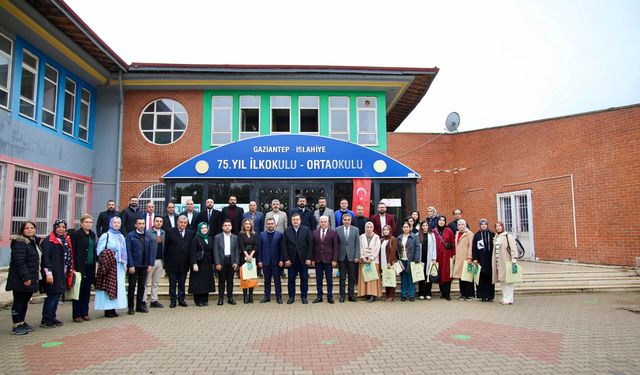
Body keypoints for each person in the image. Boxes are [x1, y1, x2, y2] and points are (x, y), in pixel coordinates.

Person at [6, 221, 41, 335]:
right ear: (22, 230)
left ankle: (22, 321)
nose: (30, 230)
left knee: (25, 300)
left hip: (31, 276)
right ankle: (16, 325)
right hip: (20, 278)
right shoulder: (19, 243)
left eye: (32, 228)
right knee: (19, 301)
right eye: (27, 228)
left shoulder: (32, 242)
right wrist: (26, 277)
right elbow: (20, 262)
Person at [40, 219, 73, 328]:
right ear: (55, 227)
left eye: (63, 227)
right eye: (59, 227)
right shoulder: (49, 240)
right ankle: (46, 319)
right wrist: (48, 272)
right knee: (52, 296)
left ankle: (52, 317)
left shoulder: (64, 240)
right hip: (53, 273)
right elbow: (46, 258)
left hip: (61, 272)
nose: (61, 229)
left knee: (57, 295)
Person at [95, 216, 127, 318]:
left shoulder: (121, 236)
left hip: (119, 266)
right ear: (111, 223)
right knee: (108, 285)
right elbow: (99, 250)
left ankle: (113, 308)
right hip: (109, 265)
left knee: (117, 287)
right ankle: (107, 309)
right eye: (115, 222)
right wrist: (110, 254)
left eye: (118, 222)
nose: (117, 224)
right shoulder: (106, 235)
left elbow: (124, 251)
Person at [69, 214, 97, 322]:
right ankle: (76, 314)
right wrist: (74, 267)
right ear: (81, 223)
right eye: (86, 222)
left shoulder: (92, 235)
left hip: (90, 265)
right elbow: (73, 251)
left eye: (90, 222)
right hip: (80, 266)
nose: (89, 224)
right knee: (78, 290)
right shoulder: (76, 235)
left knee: (86, 290)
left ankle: (85, 312)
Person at [281, 212, 313, 304]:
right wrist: (286, 259)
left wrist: (309, 258)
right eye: (294, 220)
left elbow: (310, 245)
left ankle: (304, 297)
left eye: (297, 219)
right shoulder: (287, 231)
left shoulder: (306, 230)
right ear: (291, 221)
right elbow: (284, 246)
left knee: (304, 279)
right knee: (291, 279)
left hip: (303, 260)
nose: (295, 221)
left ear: (300, 220)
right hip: (291, 260)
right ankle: (291, 297)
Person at [125, 218, 154, 315]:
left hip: (144, 265)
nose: (142, 225)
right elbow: (128, 250)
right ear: (135, 225)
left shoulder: (147, 236)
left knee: (142, 286)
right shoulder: (130, 236)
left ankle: (139, 306)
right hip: (134, 265)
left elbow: (150, 251)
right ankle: (130, 307)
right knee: (132, 286)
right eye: (139, 223)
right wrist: (131, 265)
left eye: (143, 223)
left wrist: (150, 264)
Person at [164, 215, 194, 308]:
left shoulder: (190, 233)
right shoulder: (170, 231)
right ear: (177, 222)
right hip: (172, 262)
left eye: (185, 223)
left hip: (184, 263)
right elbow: (166, 247)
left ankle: (181, 299)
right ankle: (173, 300)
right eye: (181, 222)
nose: (183, 224)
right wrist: (166, 263)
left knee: (182, 283)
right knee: (172, 283)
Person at [312, 216, 338, 304]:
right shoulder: (314, 233)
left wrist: (334, 259)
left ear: (328, 223)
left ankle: (330, 297)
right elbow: (312, 247)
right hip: (318, 259)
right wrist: (312, 259)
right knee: (318, 279)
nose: (323, 223)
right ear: (319, 223)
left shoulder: (333, 233)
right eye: (322, 222)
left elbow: (335, 247)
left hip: (329, 260)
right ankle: (319, 296)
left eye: (325, 222)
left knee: (329, 279)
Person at [258, 218, 284, 304]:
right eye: (268, 224)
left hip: (276, 262)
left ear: (275, 225)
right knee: (267, 281)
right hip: (265, 261)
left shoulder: (279, 235)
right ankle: (266, 297)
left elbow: (281, 249)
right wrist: (260, 261)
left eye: (272, 223)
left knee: (277, 280)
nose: (270, 225)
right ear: (266, 225)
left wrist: (281, 260)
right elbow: (260, 249)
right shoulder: (261, 235)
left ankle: (279, 297)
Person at [189, 222, 215, 306]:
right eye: (202, 228)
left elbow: (212, 251)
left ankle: (205, 299)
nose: (204, 230)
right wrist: (194, 263)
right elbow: (192, 252)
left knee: (206, 281)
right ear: (199, 229)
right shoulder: (195, 239)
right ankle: (198, 300)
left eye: (205, 228)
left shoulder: (210, 238)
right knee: (198, 282)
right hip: (199, 263)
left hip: (208, 263)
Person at [214, 220, 239, 305]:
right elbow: (215, 251)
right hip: (221, 261)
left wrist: (236, 262)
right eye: (225, 225)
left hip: (231, 261)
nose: (227, 227)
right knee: (221, 280)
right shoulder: (217, 237)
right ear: (222, 227)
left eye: (229, 225)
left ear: (231, 227)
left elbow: (236, 251)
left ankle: (230, 297)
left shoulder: (235, 237)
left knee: (230, 281)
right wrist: (217, 263)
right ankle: (220, 298)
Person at [493, 221, 519, 305]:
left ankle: (509, 299)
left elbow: (513, 248)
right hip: (498, 261)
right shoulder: (496, 236)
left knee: (508, 281)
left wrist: (514, 259)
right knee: (502, 280)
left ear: (503, 227)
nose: (498, 228)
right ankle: (505, 297)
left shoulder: (508, 236)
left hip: (506, 261)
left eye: (500, 226)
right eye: (497, 226)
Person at [336, 213, 360, 303]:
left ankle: (351, 295)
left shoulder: (356, 230)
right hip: (341, 257)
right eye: (345, 220)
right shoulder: (337, 230)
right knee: (342, 278)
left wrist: (357, 256)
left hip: (352, 257)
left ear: (351, 221)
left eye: (348, 220)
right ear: (342, 220)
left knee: (351, 277)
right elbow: (336, 244)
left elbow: (357, 244)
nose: (346, 221)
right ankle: (342, 296)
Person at [358, 221, 382, 302]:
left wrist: (371, 258)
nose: (369, 229)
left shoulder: (376, 237)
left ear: (373, 228)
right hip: (364, 260)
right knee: (365, 276)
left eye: (370, 227)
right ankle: (366, 293)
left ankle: (372, 295)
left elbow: (377, 249)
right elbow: (360, 247)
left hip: (373, 261)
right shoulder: (361, 237)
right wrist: (362, 257)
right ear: (365, 228)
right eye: (367, 227)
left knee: (372, 278)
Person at [145, 216, 165, 308]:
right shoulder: (148, 233)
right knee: (146, 282)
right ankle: (143, 300)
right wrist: (148, 262)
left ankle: (154, 300)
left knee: (156, 282)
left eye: (160, 221)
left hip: (160, 260)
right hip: (150, 261)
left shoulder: (163, 233)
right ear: (153, 222)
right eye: (157, 221)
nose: (159, 223)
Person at [473, 218, 495, 302]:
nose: (483, 226)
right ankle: (482, 295)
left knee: (489, 279)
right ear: (480, 225)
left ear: (487, 225)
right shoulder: (477, 235)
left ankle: (489, 296)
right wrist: (475, 259)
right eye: (482, 224)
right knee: (481, 278)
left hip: (490, 260)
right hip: (480, 260)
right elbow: (474, 248)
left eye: (485, 224)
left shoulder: (492, 234)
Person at [238, 218, 260, 304]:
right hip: (244, 257)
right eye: (246, 224)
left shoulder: (254, 234)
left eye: (249, 224)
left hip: (253, 256)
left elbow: (256, 245)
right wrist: (247, 255)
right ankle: (245, 296)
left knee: (251, 276)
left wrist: (251, 255)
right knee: (245, 277)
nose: (247, 225)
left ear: (251, 225)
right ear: (243, 225)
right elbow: (241, 245)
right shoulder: (241, 234)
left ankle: (251, 296)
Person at [433, 216, 455, 300]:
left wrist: (453, 255)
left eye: (443, 220)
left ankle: (447, 293)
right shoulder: (433, 231)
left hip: (447, 255)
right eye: (440, 220)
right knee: (440, 273)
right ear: (437, 221)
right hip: (437, 255)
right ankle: (442, 292)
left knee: (447, 274)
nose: (441, 222)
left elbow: (453, 243)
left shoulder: (449, 231)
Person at [397, 221, 420, 301]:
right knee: (403, 278)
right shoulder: (399, 237)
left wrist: (416, 259)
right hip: (402, 260)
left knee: (411, 278)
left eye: (407, 227)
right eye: (404, 227)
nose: (405, 228)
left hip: (411, 260)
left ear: (410, 228)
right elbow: (397, 250)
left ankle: (411, 295)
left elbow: (417, 248)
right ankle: (403, 295)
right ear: (402, 228)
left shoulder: (414, 237)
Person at [453, 219, 475, 301]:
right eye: (459, 224)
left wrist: (469, 257)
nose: (460, 226)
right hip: (459, 258)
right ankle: (463, 293)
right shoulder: (457, 233)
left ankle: (470, 294)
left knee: (468, 276)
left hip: (466, 258)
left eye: (462, 224)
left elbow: (471, 246)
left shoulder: (469, 233)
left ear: (465, 225)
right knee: (460, 277)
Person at [418, 221, 437, 300]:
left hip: (429, 258)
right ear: (421, 227)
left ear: (428, 226)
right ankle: (421, 293)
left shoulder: (431, 235)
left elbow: (434, 247)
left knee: (428, 276)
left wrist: (434, 258)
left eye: (426, 225)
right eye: (423, 225)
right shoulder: (418, 235)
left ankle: (428, 293)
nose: (425, 227)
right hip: (420, 259)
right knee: (421, 276)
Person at [379, 225, 398, 301]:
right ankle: (387, 295)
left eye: (387, 229)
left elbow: (393, 252)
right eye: (384, 230)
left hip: (390, 262)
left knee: (391, 279)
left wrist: (389, 262)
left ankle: (392, 296)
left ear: (390, 230)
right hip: (383, 262)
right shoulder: (382, 240)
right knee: (386, 278)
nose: (386, 231)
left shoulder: (393, 239)